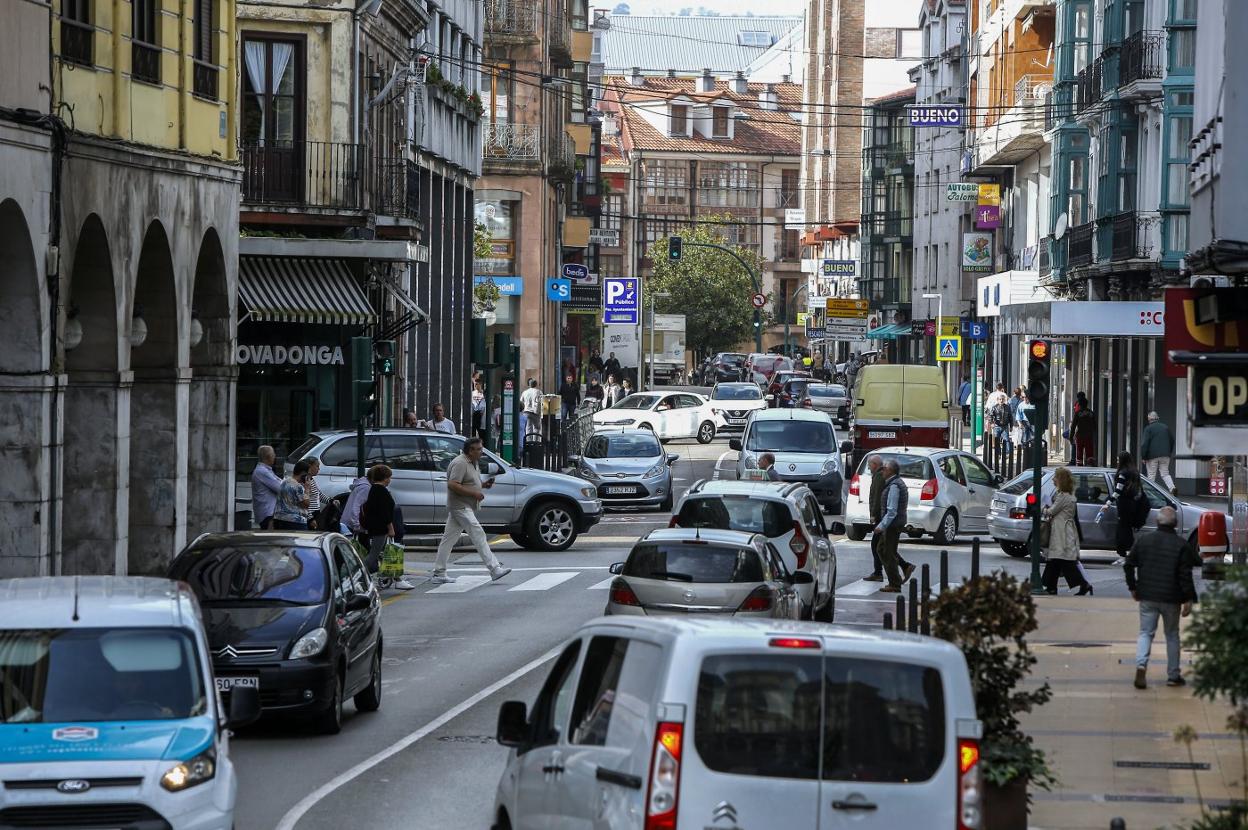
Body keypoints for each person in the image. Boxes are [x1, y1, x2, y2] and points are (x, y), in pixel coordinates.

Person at [1124, 506, 1201, 689]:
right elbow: (1185, 574)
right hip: (1172, 598)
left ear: (1157, 522)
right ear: (1175, 524)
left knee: (1145, 633)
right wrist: (1188, 599)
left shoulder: (1144, 541)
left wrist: (1133, 587)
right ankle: (1173, 675)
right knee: (1172, 635)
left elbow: (1128, 565)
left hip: (1147, 595)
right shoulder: (1181, 545)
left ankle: (1141, 666)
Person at [432, 437, 511, 584]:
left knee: (448, 540)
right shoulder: (460, 463)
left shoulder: (472, 462)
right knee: (478, 534)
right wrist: (474, 493)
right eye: (479, 449)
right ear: (470, 450)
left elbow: (469, 481)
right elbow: (453, 485)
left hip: (463, 506)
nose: (482, 452)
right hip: (460, 506)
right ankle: (494, 568)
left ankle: (439, 573)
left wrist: (483, 485)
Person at [1041, 467, 1093, 595]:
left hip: (1061, 532)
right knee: (1056, 560)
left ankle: (1082, 584)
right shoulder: (1067, 495)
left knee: (1061, 560)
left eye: (1055, 477)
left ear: (1060, 480)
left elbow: (1051, 511)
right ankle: (1051, 587)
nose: (1053, 479)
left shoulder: (1063, 497)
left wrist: (1043, 508)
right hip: (1063, 529)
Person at [864, 454, 913, 583]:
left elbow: (888, 508)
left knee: (885, 550)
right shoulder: (890, 482)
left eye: (884, 468)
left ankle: (893, 579)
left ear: (890, 470)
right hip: (888, 521)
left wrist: (879, 523)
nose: (882, 470)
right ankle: (900, 569)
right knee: (884, 548)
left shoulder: (892, 484)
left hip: (888, 522)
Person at [1100, 451, 1149, 565]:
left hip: (1124, 505)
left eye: (1118, 460)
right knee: (1127, 530)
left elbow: (1118, 490)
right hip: (1133, 505)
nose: (1117, 462)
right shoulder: (1134, 472)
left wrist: (1108, 503)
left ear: (1122, 461)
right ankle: (1128, 554)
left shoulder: (1122, 473)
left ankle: (1123, 555)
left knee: (1122, 530)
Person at [361, 464, 396, 574]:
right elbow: (384, 512)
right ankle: (355, 573)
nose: (390, 480)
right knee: (373, 554)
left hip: (374, 526)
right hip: (380, 528)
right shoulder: (382, 491)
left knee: (376, 553)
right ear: (385, 478)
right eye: (389, 477)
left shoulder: (373, 489)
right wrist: (391, 528)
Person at [1139, 411, 1177, 494]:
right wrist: (1168, 453)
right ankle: (1172, 488)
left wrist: (1144, 457)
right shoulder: (1165, 427)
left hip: (1152, 456)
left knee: (1151, 475)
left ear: (1149, 419)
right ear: (1157, 418)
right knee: (1165, 474)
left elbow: (1145, 444)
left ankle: (1149, 493)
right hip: (1165, 456)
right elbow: (1172, 440)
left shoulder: (1148, 428)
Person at [250, 445, 283, 530]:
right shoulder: (262, 471)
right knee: (271, 540)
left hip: (269, 514)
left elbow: (280, 482)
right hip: (268, 514)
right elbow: (280, 487)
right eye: (273, 455)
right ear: (268, 457)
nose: (275, 457)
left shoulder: (266, 470)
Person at [272, 460, 311, 530]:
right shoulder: (298, 486)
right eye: (308, 474)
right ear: (303, 473)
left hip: (278, 519)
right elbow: (306, 504)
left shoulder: (284, 482)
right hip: (294, 522)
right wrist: (307, 489)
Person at [342, 470, 372, 543]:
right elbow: (356, 506)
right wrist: (357, 525)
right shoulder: (366, 488)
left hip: (349, 523)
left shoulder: (362, 486)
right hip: (354, 524)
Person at [1070, 392, 1096, 465]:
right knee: (1089, 453)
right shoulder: (1091, 413)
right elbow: (1095, 426)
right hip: (1089, 436)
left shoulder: (1078, 413)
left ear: (1080, 404)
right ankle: (1090, 465)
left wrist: (1071, 437)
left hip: (1080, 436)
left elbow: (1073, 426)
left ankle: (1080, 467)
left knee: (1079, 453)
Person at [304, 457, 324, 529]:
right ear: (310, 466)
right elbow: (304, 503)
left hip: (316, 513)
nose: (318, 469)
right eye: (317, 466)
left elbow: (319, 495)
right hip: (311, 515)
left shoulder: (312, 480)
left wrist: (331, 501)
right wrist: (310, 519)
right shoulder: (306, 481)